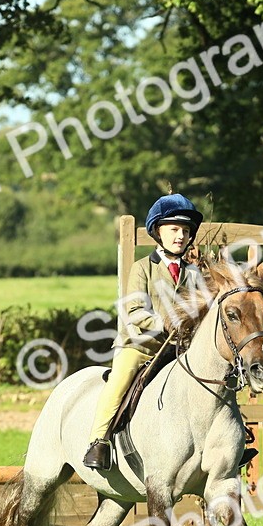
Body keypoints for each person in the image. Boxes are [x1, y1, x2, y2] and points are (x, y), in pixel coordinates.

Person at [83, 194, 204, 469]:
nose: (180, 236)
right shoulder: (142, 268)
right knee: (118, 383)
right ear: (157, 232)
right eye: (174, 229)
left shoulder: (194, 274)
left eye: (185, 231)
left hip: (178, 350)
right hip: (139, 346)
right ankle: (98, 441)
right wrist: (164, 323)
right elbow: (135, 311)